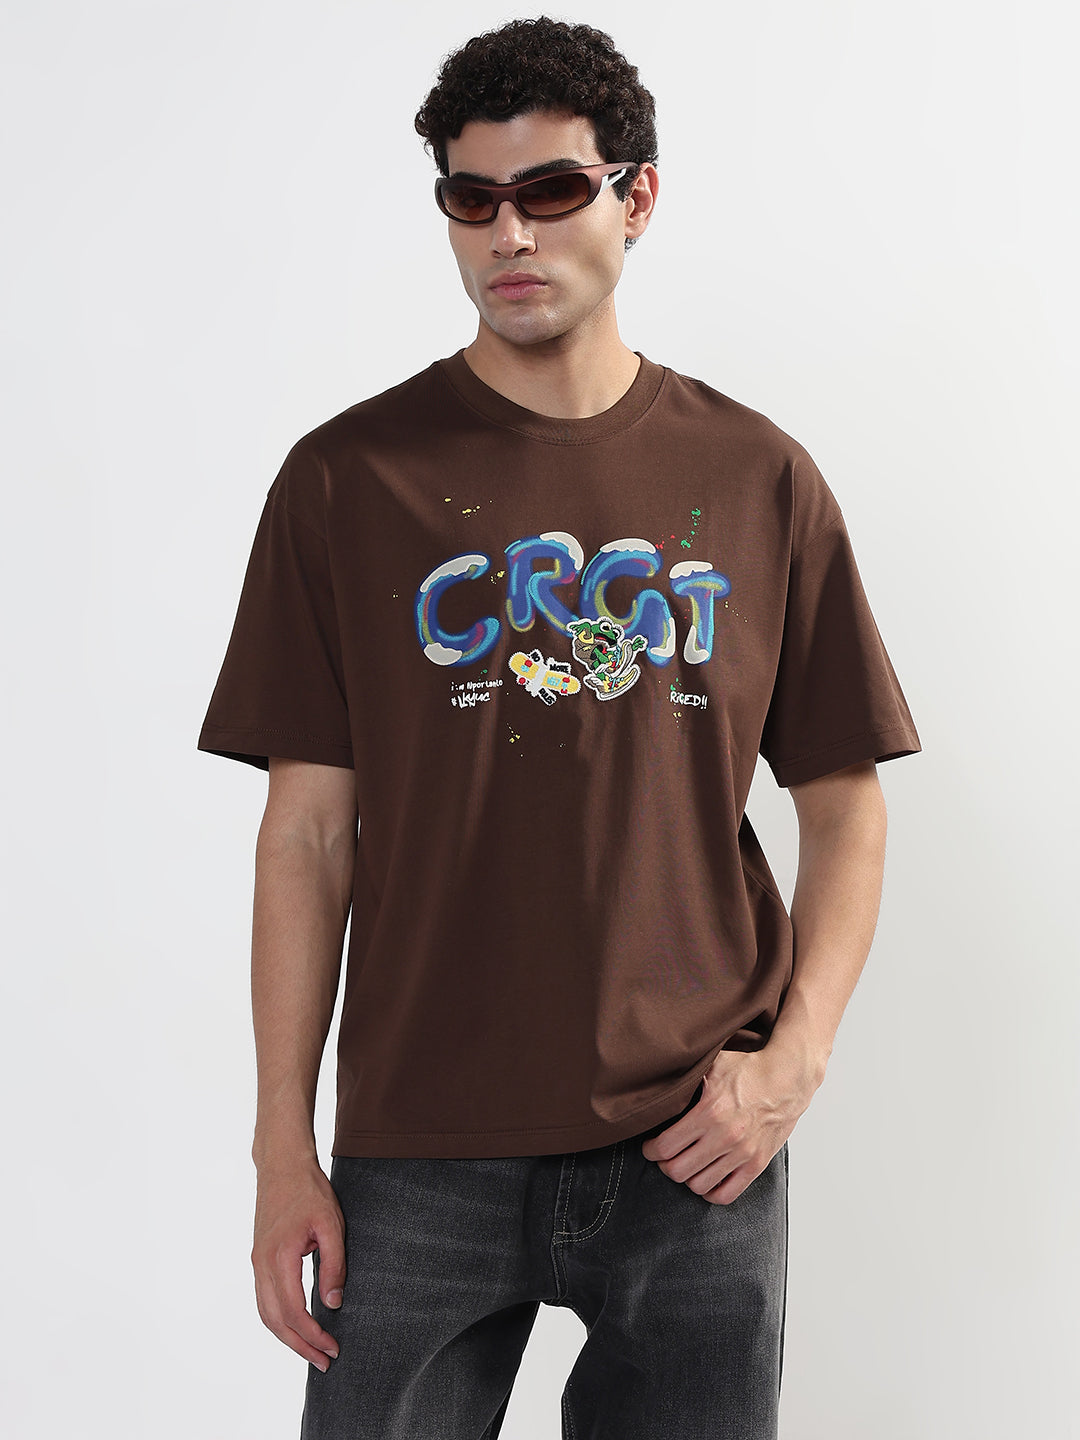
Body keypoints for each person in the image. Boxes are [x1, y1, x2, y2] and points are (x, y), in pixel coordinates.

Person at [196, 16, 921, 1440]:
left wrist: (794, 1063)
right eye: (472, 200)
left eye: (550, 190)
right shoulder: (347, 480)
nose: (508, 235)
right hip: (419, 1139)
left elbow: (845, 804)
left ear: (636, 197)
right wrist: (283, 1142)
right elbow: (306, 837)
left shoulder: (757, 475)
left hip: (694, 1136)